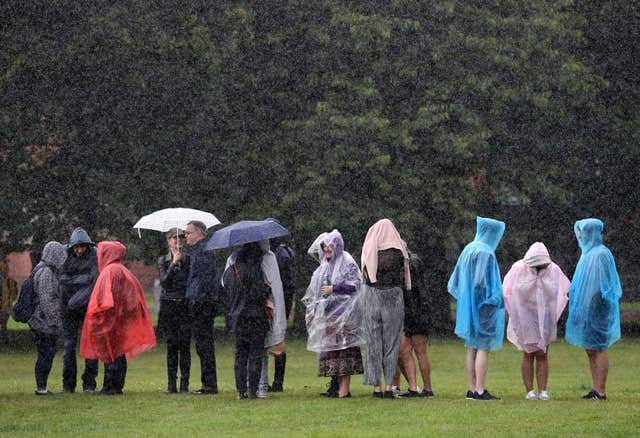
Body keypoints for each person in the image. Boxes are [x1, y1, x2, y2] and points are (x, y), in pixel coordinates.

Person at [80, 241, 156, 395]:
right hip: (120, 321)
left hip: (110, 321)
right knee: (119, 353)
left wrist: (99, 317)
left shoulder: (109, 272)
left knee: (110, 353)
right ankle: (117, 385)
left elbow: (104, 300)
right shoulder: (122, 270)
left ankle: (110, 387)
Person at [448, 216, 506, 401]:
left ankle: (471, 388)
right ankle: (480, 389)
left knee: (471, 345)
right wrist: (492, 298)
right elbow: (482, 281)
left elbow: (456, 280)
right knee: (483, 346)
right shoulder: (486, 252)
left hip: (468, 306)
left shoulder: (468, 249)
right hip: (483, 306)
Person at [503, 242, 570, 400]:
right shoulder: (519, 268)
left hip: (545, 317)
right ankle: (529, 391)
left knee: (542, 353)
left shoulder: (553, 269)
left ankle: (543, 390)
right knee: (528, 353)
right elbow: (507, 291)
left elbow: (563, 289)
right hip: (525, 317)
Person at [565, 218, 622, 400]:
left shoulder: (601, 254)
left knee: (599, 347)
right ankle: (595, 388)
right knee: (590, 348)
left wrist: (595, 302)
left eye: (583, 231)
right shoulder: (586, 254)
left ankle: (601, 391)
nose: (580, 235)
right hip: (585, 311)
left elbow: (606, 285)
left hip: (598, 309)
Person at [303, 230, 364, 398]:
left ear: (337, 245)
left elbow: (355, 285)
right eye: (324, 247)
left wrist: (335, 288)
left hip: (344, 315)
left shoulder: (347, 262)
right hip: (328, 315)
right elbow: (316, 291)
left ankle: (344, 390)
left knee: (344, 351)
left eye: (329, 246)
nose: (326, 249)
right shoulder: (325, 265)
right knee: (332, 351)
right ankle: (335, 387)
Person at [361, 218, 411, 399]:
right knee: (392, 344)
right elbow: (405, 276)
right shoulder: (399, 252)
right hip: (393, 297)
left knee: (373, 344)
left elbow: (365, 275)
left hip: (372, 296)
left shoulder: (369, 250)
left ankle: (376, 387)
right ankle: (389, 386)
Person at [223, 242, 272, 399]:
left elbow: (227, 294)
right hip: (256, 317)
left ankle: (241, 390)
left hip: (237, 318)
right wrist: (267, 289)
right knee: (255, 355)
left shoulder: (230, 271)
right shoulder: (255, 270)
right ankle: (252, 390)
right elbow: (258, 294)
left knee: (240, 355)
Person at [59, 227, 100, 393]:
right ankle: (68, 385)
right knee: (68, 347)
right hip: (67, 308)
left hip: (87, 307)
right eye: (76, 247)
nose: (79, 250)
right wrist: (81, 279)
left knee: (91, 347)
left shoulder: (94, 255)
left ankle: (89, 384)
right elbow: (61, 277)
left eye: (82, 247)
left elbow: (94, 280)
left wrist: (72, 280)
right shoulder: (64, 254)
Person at [392, 247, 434, 398]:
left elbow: (412, 289)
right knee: (402, 351)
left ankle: (428, 389)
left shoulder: (411, 263)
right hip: (412, 312)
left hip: (416, 313)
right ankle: (413, 387)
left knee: (420, 351)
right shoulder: (412, 261)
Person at [185, 220, 219, 395]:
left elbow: (203, 281)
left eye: (189, 233)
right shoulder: (199, 251)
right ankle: (208, 382)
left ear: (199, 232)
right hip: (201, 302)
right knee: (202, 345)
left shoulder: (204, 251)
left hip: (202, 304)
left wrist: (196, 300)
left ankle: (210, 384)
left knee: (204, 345)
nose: (186, 237)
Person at [29, 241, 67, 395]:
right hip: (43, 323)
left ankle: (42, 387)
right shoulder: (46, 273)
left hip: (42, 322)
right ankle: (41, 388)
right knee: (45, 355)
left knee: (46, 354)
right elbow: (47, 301)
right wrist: (56, 322)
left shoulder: (44, 270)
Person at [157, 229, 191, 394]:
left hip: (184, 305)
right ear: (168, 240)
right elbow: (164, 282)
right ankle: (172, 385)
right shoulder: (163, 260)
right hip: (169, 306)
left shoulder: (189, 260)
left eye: (181, 237)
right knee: (171, 345)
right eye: (174, 238)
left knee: (184, 345)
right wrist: (173, 263)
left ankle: (185, 384)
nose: (178, 240)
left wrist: (181, 262)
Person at [268, 237, 296, 392]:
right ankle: (277, 381)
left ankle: (277, 381)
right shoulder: (286, 252)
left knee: (276, 341)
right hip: (283, 302)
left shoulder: (277, 255)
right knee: (278, 341)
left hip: (278, 303)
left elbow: (280, 282)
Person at [1, 259, 19, 344]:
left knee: (4, 324)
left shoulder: (10, 281)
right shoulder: (9, 281)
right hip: (5, 307)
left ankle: (4, 339)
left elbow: (14, 294)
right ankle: (4, 339)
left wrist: (10, 300)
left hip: (5, 307)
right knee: (4, 324)